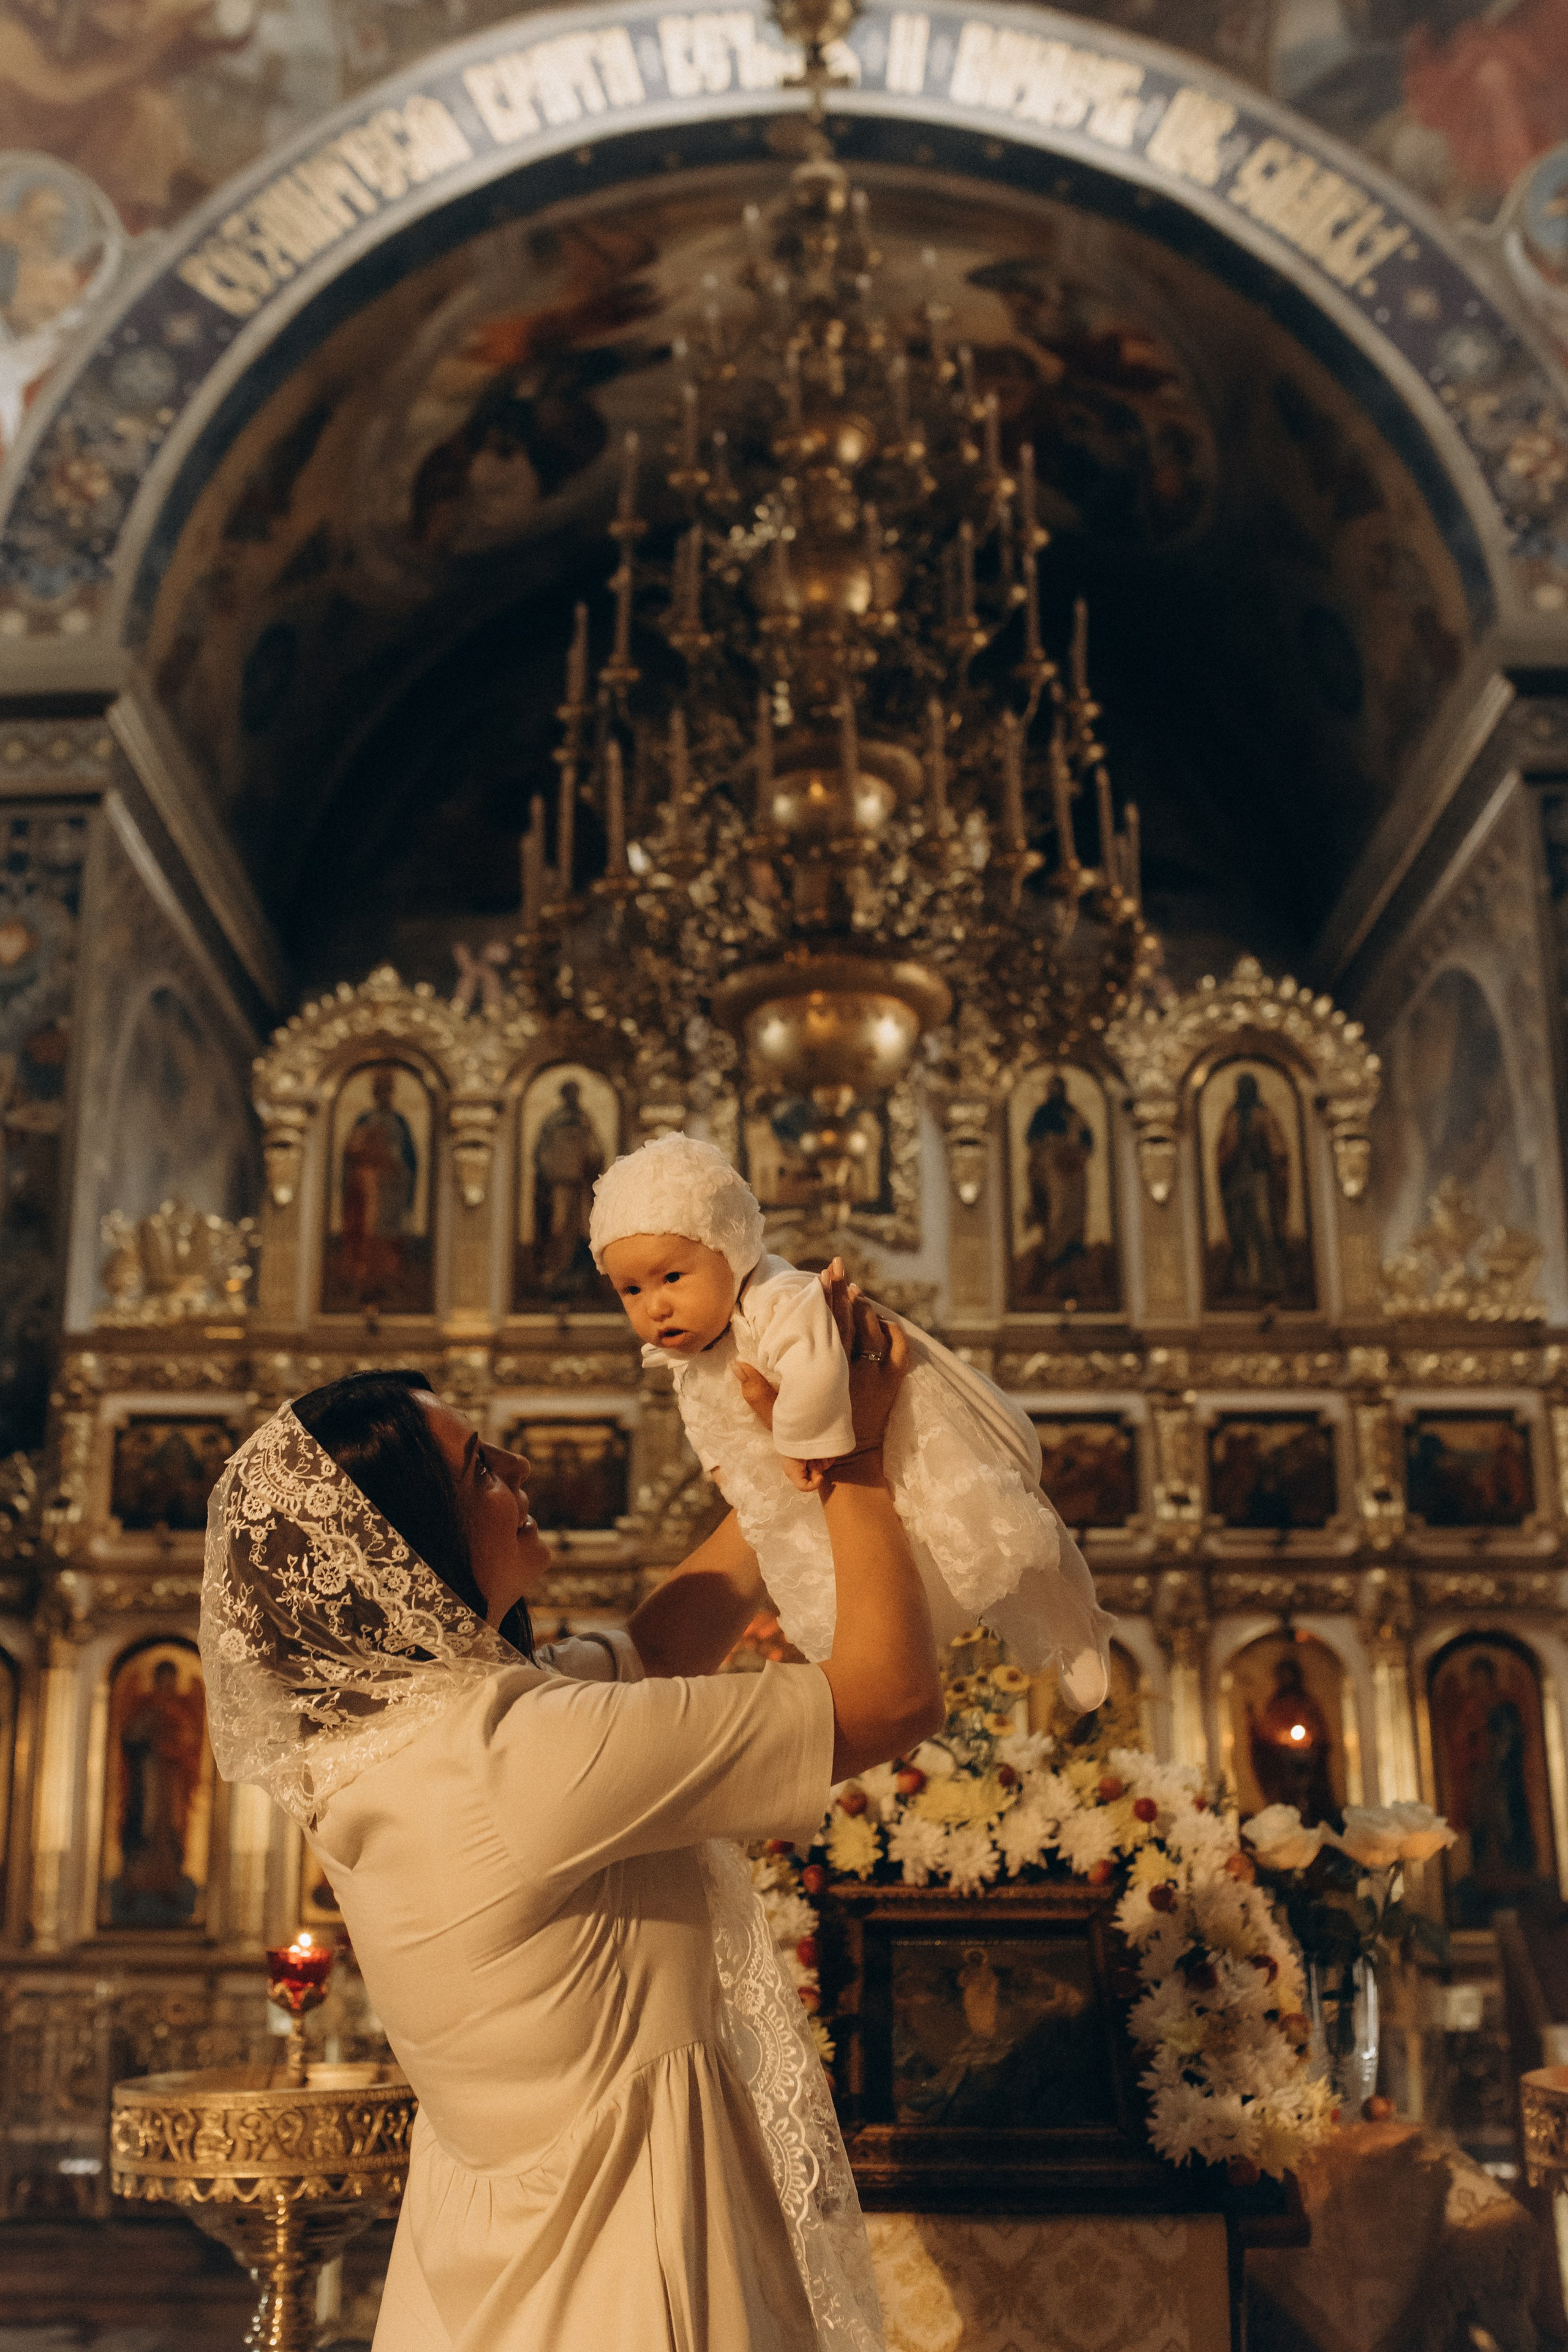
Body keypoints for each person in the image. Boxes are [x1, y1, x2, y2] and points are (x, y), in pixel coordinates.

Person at [200, 1270, 938, 2351]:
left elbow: (653, 1654)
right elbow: (892, 1699)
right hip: (629, 2268)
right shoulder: (517, 1759)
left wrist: (789, 1467)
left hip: (495, 2276)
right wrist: (861, 1462)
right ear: (408, 1545)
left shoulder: (394, 1739)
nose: (520, 1468)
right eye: (476, 1467)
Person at [590, 1133, 1112, 1706]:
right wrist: (726, 1472)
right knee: (884, 1569)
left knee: (999, 1524)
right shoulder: (690, 1359)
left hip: (906, 1434)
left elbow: (814, 1373)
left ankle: (1077, 1624)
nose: (654, 1307)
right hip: (821, 1474)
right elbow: (704, 1423)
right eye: (631, 1291)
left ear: (730, 1250)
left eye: (671, 1279)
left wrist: (797, 1445)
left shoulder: (778, 1300)